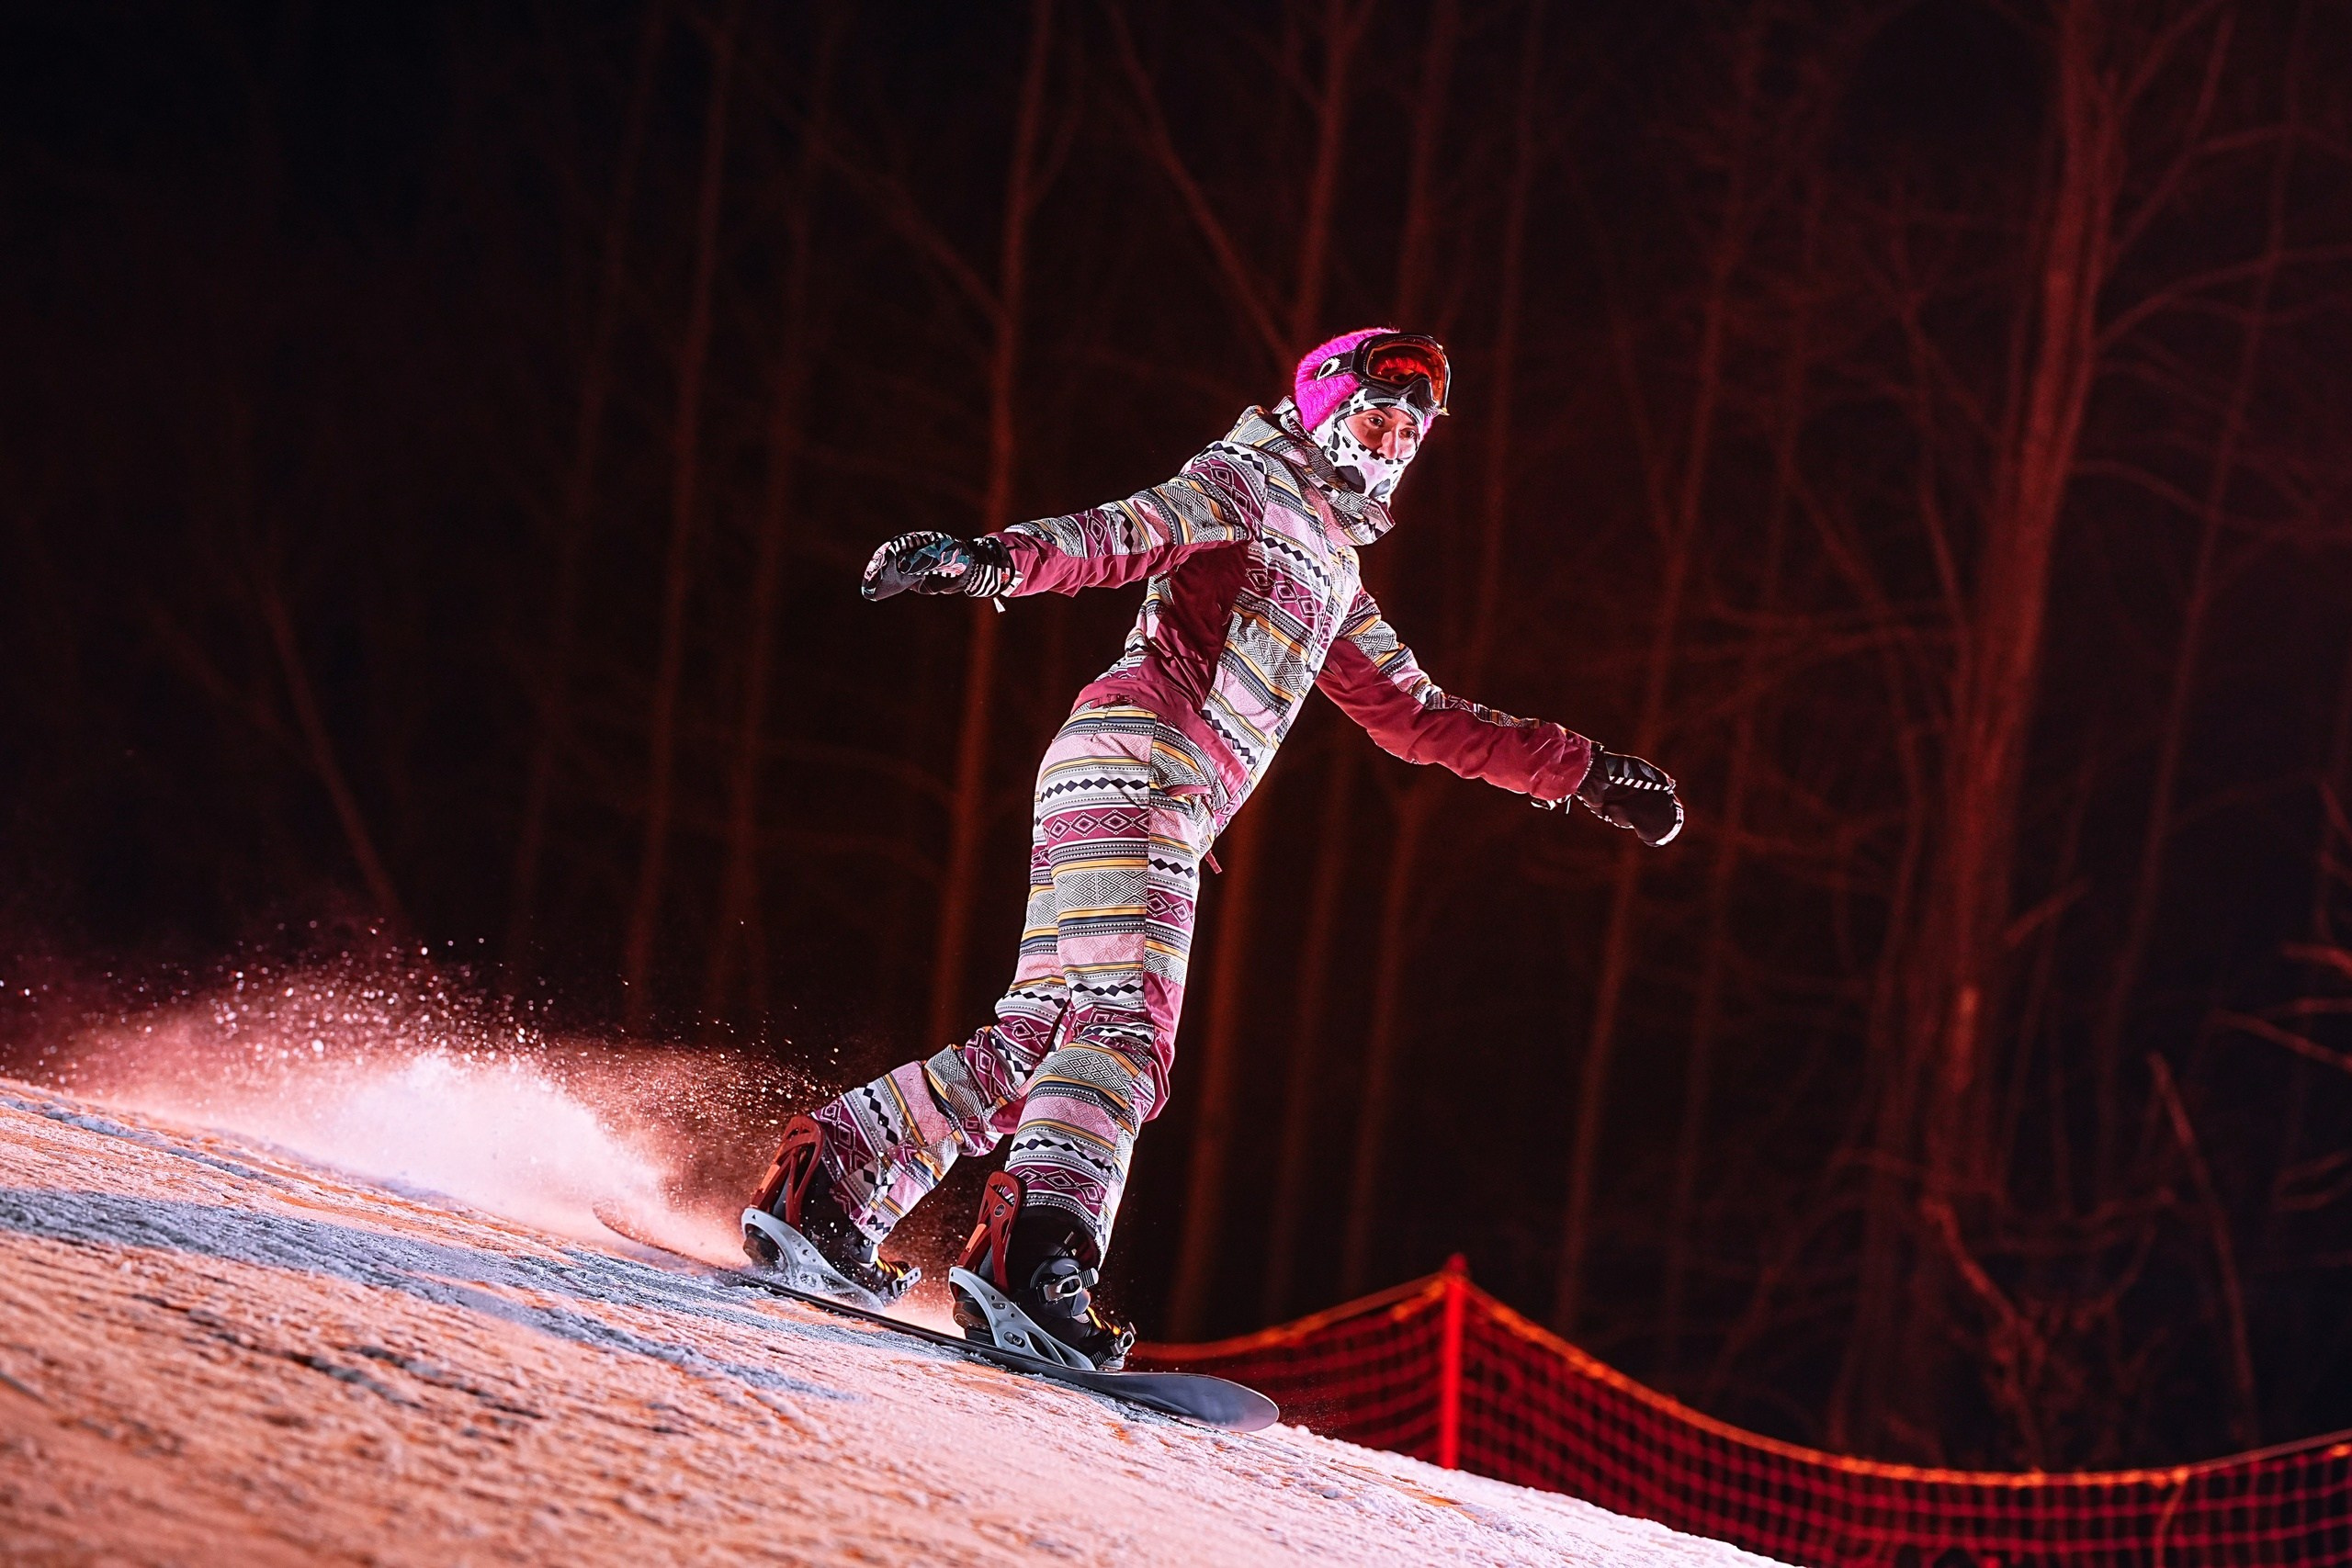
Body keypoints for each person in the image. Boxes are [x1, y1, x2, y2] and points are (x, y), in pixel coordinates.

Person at [741, 329, 1682, 1370]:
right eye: (1374, 417)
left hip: (1135, 780)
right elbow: (1123, 533)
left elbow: (1415, 716)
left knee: (1040, 1036)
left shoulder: (1330, 565)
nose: (1389, 443)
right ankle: (1038, 1254)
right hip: (1143, 764)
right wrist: (993, 557)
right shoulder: (1246, 480)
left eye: (1409, 432)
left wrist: (1582, 770)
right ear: (1322, 409)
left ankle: (834, 1176)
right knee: (1125, 1030)